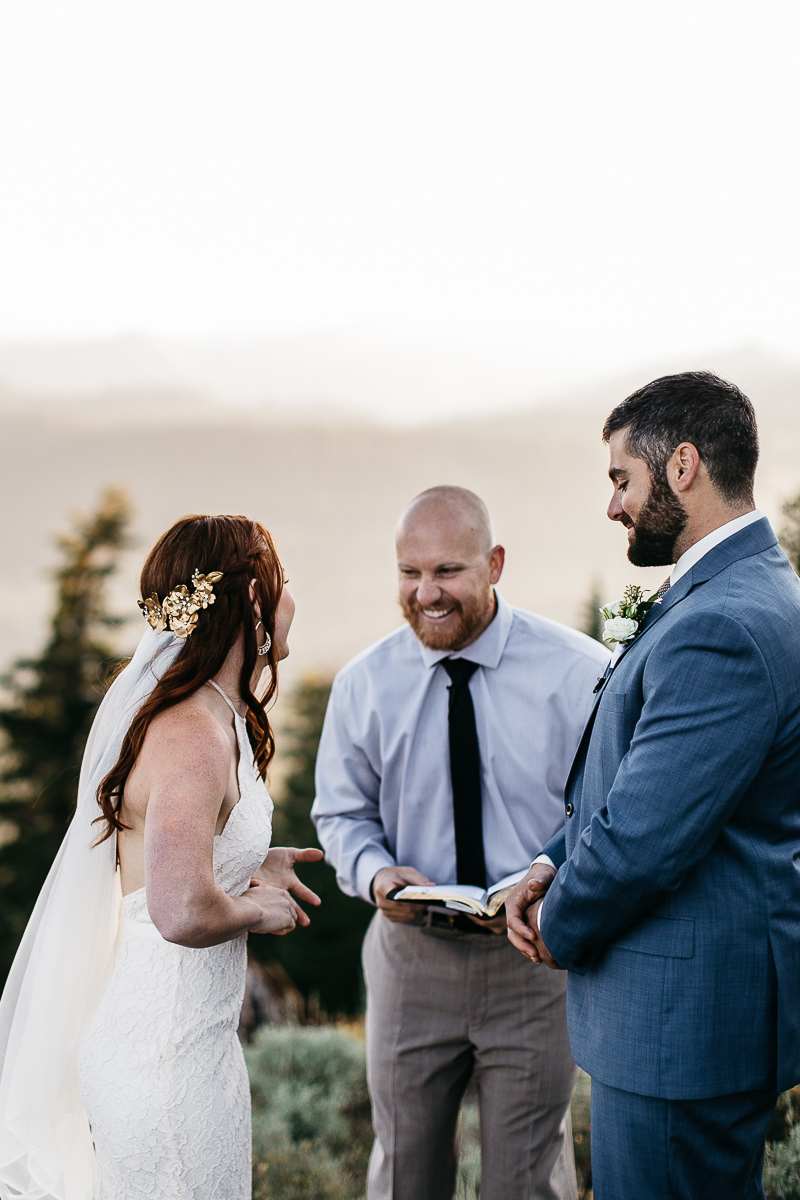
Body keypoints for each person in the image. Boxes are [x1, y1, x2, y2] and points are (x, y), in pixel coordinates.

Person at [507, 372, 800, 1200]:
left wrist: (557, 922)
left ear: (682, 466)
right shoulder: (729, 590)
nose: (612, 507)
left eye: (620, 480)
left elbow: (646, 835)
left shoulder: (725, 624)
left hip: (682, 1025)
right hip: (684, 1014)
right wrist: (549, 861)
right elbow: (641, 770)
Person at [0, 514, 322, 1200]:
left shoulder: (213, 712)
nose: (291, 597)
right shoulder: (192, 735)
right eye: (282, 580)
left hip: (189, 1049)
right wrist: (255, 911)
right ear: (254, 601)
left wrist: (252, 866)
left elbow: (179, 859)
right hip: (164, 1060)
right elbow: (178, 911)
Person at [312, 486, 609, 1200]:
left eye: (446, 571)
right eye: (409, 573)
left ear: (495, 564)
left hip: (532, 962)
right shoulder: (364, 685)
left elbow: (603, 811)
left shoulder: (580, 673)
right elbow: (340, 815)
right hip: (410, 961)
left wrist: (547, 883)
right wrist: (377, 876)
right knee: (405, 1175)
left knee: (525, 1183)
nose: (425, 593)